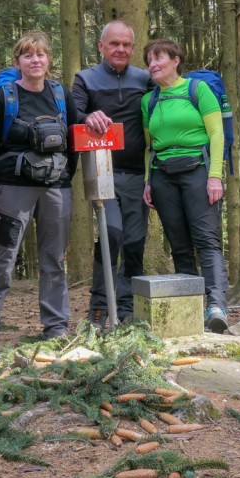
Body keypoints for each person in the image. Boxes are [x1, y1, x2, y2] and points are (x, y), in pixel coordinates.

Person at [0, 32, 79, 342]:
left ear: (49, 60)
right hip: (12, 189)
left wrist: (63, 180)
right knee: (2, 258)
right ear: (17, 62)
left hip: (57, 188)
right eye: (28, 55)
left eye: (40, 55)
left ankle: (57, 327)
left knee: (54, 259)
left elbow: (72, 145)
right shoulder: (4, 97)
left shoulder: (63, 95)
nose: (35, 60)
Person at [141, 39, 230, 334]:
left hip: (198, 171)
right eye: (149, 61)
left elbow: (217, 135)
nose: (152, 65)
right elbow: (149, 146)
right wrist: (147, 182)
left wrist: (215, 176)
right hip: (162, 175)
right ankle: (189, 308)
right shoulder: (148, 101)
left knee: (206, 240)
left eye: (158, 58)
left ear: (176, 60)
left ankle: (216, 305)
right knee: (179, 244)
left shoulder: (198, 90)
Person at [72, 21, 152, 329]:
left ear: (133, 48)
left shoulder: (145, 79)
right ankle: (99, 304)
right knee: (112, 232)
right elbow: (73, 113)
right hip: (101, 171)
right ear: (101, 46)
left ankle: (129, 306)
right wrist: (86, 115)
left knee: (134, 240)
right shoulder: (86, 79)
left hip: (137, 174)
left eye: (126, 45)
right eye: (114, 44)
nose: (120, 49)